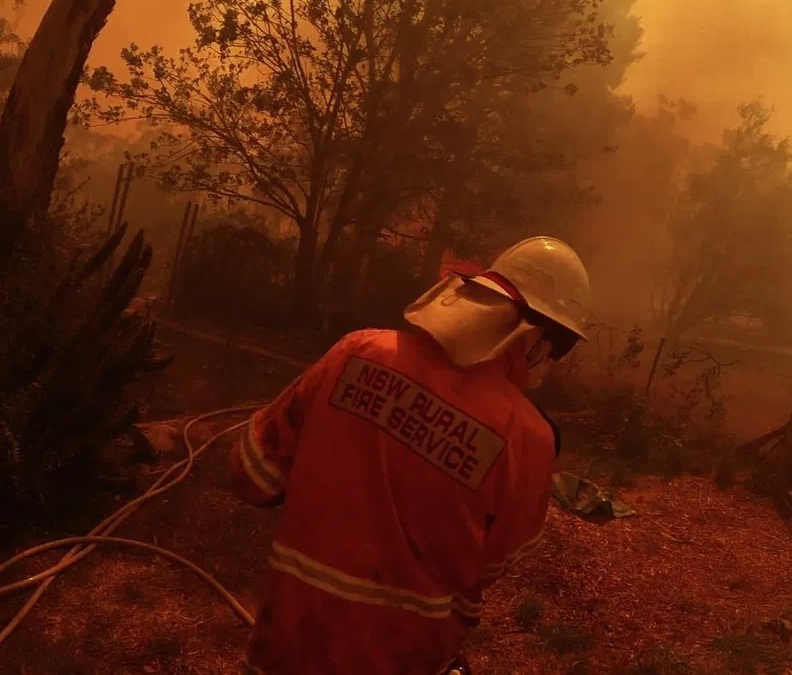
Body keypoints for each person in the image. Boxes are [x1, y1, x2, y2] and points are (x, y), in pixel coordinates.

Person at [228, 236, 591, 675]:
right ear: (536, 340)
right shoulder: (528, 438)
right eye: (558, 347)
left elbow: (252, 474)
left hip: (285, 645)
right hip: (402, 657)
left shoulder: (357, 351)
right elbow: (490, 566)